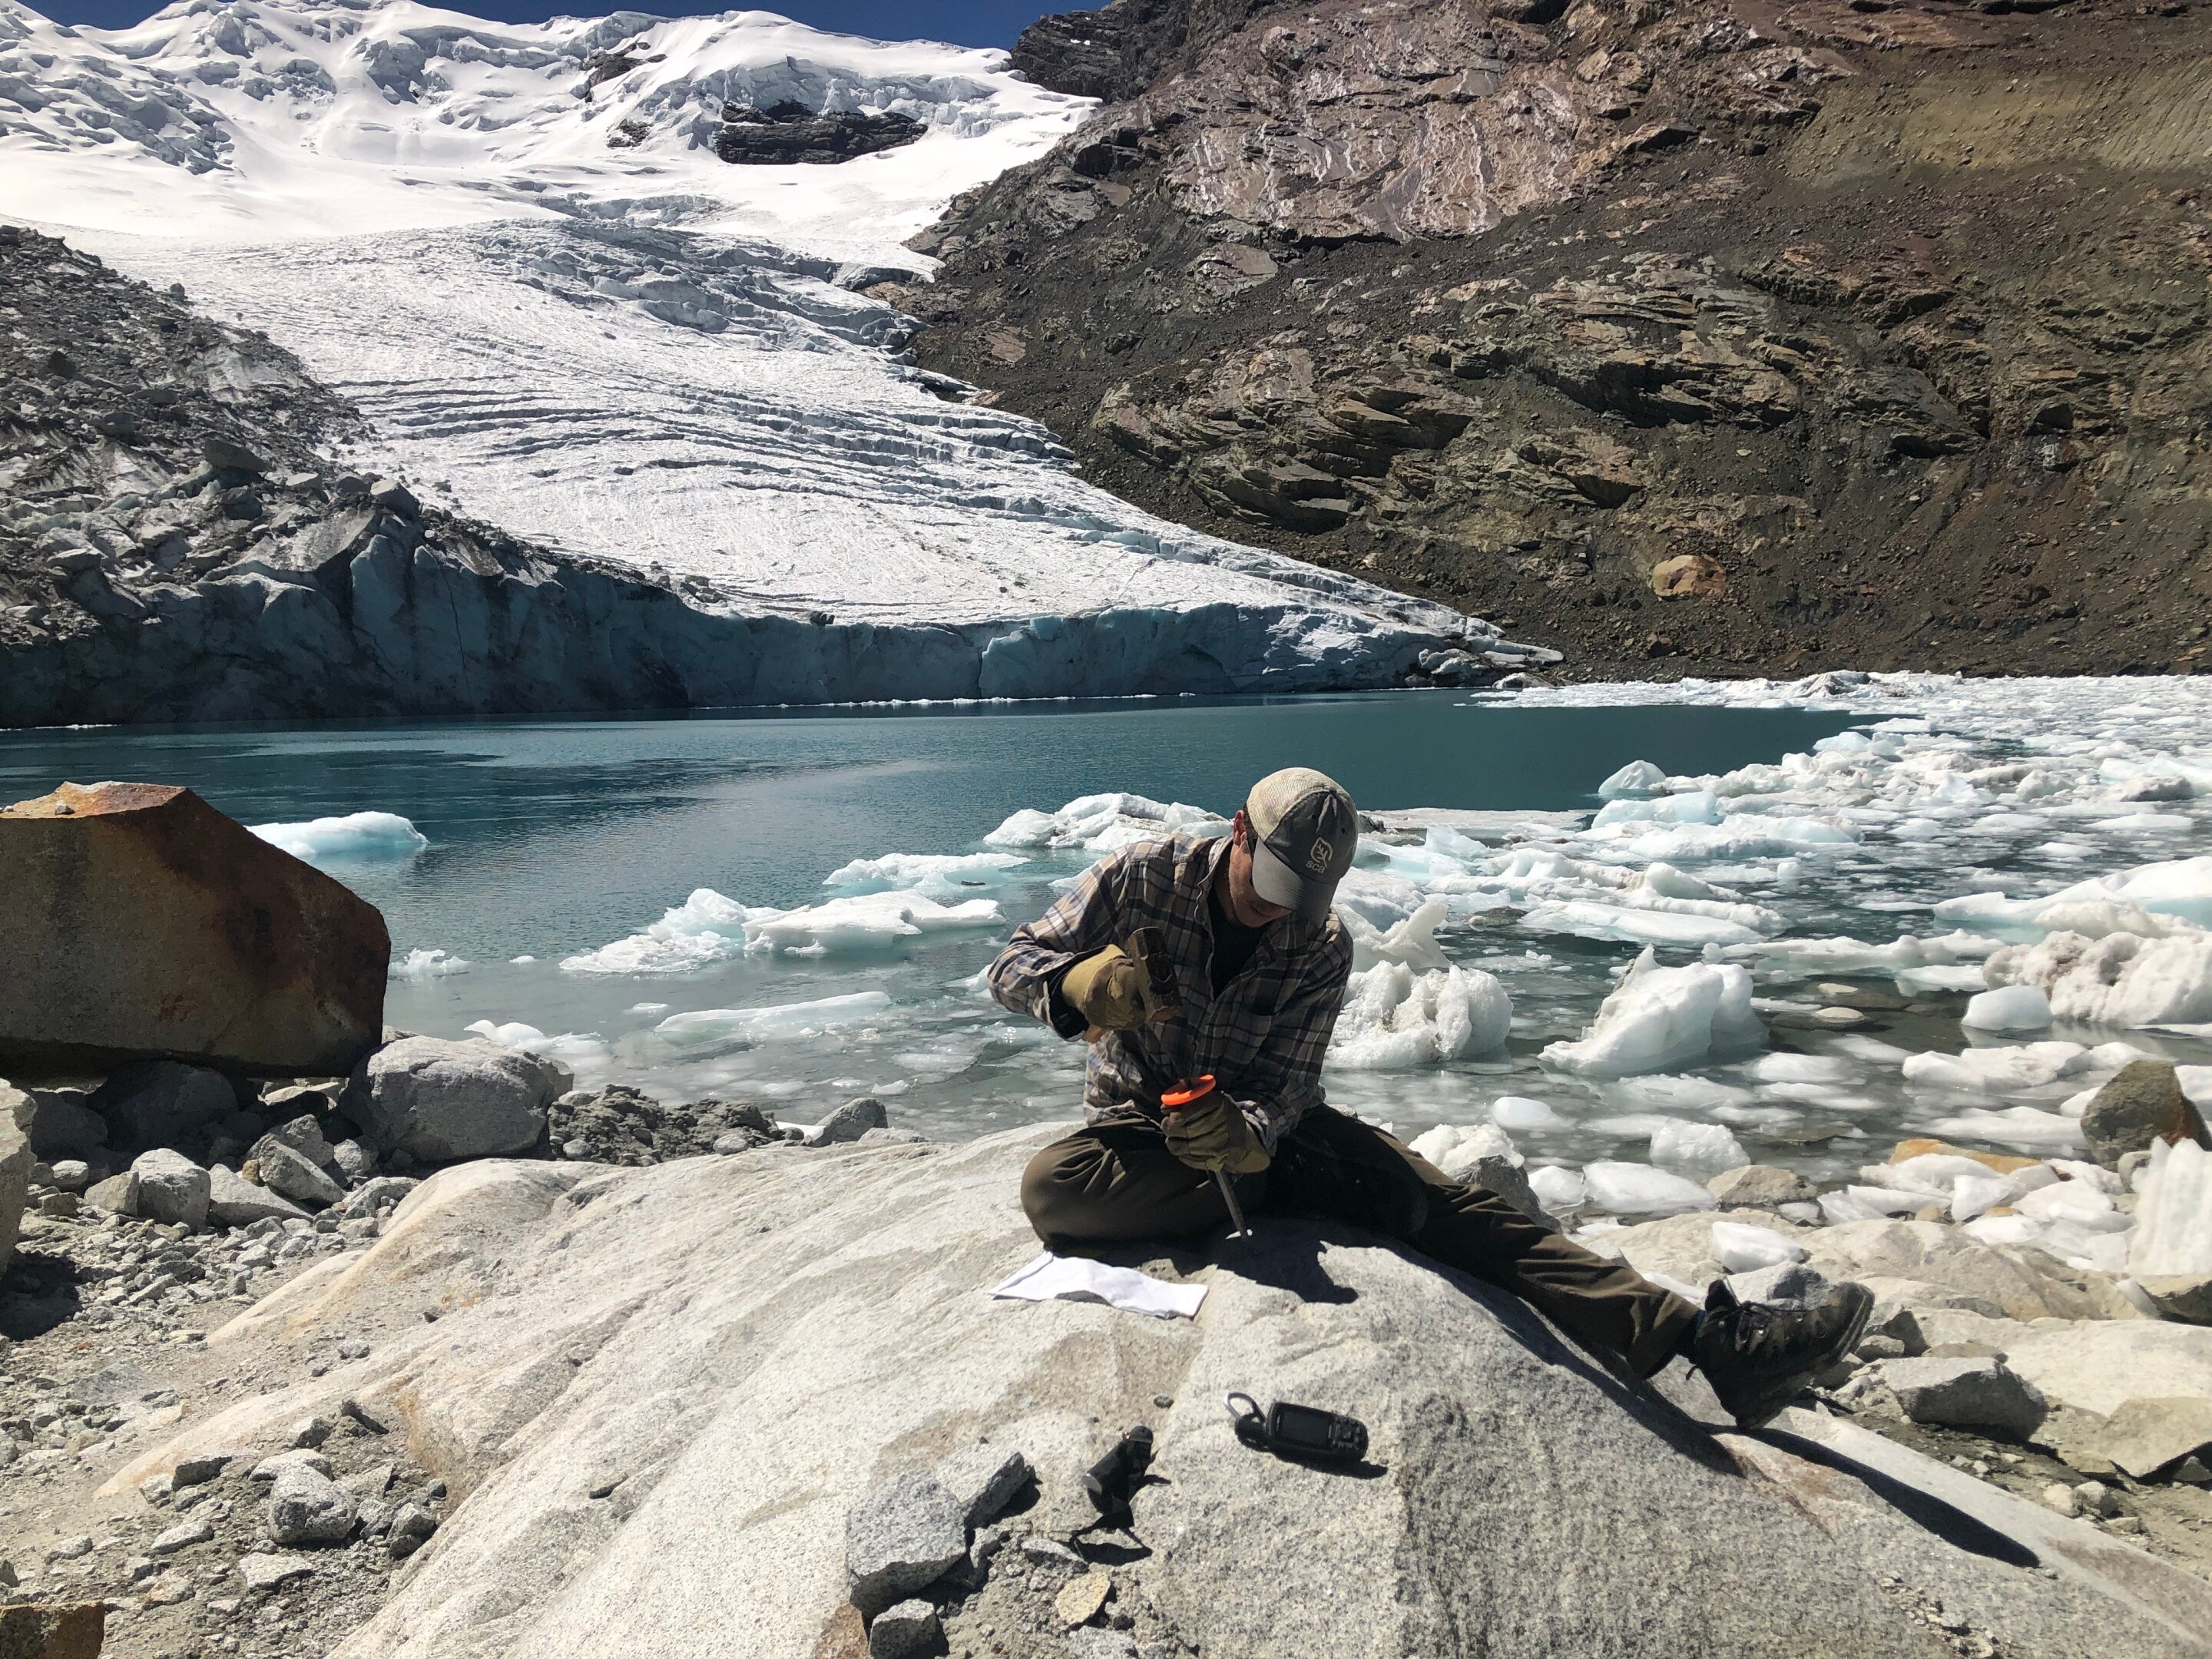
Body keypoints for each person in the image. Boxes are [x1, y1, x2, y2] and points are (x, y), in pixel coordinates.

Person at [988, 766, 1872, 1429]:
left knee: (1457, 1210)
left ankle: (1711, 1346)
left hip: (1264, 1137)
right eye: (1271, 885)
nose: (1279, 912)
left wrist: (1249, 1139)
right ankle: (1306, 1191)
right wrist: (1075, 990)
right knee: (1050, 1193)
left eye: (1303, 897)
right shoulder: (1144, 875)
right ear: (1238, 835)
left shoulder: (1316, 941)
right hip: (1138, 1135)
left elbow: (1287, 1086)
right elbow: (1011, 964)